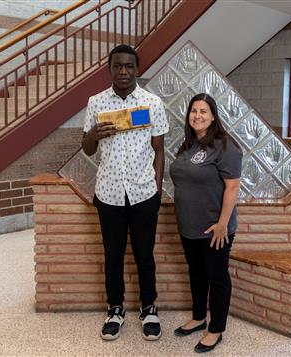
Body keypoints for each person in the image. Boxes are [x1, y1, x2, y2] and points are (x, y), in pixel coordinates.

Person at [81, 44, 168, 341]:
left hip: (144, 193)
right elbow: (88, 148)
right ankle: (115, 308)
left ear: (137, 69)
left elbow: (159, 150)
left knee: (145, 255)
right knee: (113, 255)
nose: (123, 71)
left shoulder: (152, 102)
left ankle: (148, 308)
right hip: (109, 193)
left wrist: (156, 190)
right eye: (117, 66)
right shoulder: (96, 103)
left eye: (129, 66)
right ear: (109, 69)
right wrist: (93, 135)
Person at [170, 93, 242, 353]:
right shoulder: (188, 145)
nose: (197, 115)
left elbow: (232, 188)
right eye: (193, 111)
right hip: (189, 227)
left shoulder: (224, 146)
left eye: (203, 111)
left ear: (213, 116)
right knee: (196, 273)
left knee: (217, 277)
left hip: (214, 229)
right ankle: (199, 317)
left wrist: (223, 223)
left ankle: (216, 329)